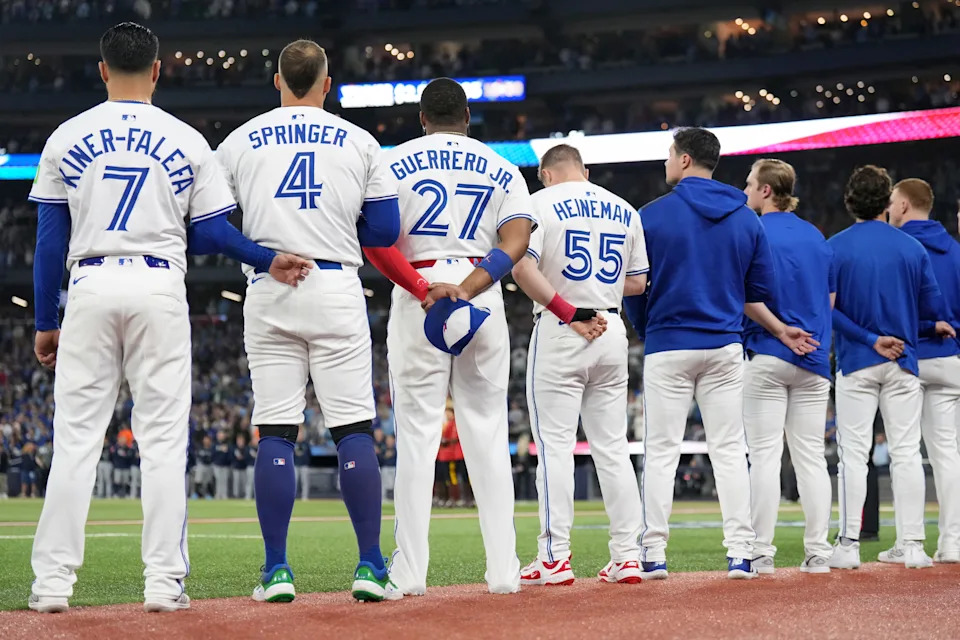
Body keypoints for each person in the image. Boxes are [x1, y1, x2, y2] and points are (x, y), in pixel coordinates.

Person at [27, 22, 309, 614]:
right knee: (161, 441)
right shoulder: (186, 139)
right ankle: (163, 584)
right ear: (158, 70)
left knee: (76, 441)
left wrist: (45, 320)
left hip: (90, 281)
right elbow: (210, 233)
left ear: (102, 70)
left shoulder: (66, 135)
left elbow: (50, 242)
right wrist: (265, 258)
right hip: (157, 283)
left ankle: (51, 586)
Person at [214, 39, 402, 603]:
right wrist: (339, 231)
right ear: (327, 84)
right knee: (352, 430)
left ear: (277, 81)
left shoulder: (241, 140)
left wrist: (264, 255)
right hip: (336, 280)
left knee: (275, 430)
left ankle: (276, 571)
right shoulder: (361, 141)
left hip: (269, 284)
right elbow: (387, 229)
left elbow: (209, 228)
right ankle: (370, 566)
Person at [622, 127, 813, 580]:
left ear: (685, 159)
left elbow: (635, 288)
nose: (667, 162)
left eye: (670, 155)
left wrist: (650, 328)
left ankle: (653, 553)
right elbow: (760, 289)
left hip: (669, 342)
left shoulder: (651, 215)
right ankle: (741, 554)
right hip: (725, 345)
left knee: (662, 450)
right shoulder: (747, 217)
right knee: (730, 450)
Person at [381, 77, 534, 598]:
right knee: (487, 433)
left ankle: (410, 573)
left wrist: (427, 288)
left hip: (417, 291)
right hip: (481, 294)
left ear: (421, 118)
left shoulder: (393, 159)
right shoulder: (501, 166)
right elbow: (515, 242)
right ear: (467, 118)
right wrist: (467, 288)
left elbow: (377, 240)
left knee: (418, 435)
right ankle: (504, 572)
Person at [510, 144, 646, 585]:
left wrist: (570, 310)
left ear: (546, 174)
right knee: (613, 449)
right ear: (584, 171)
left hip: (561, 325)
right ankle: (627, 557)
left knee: (554, 449)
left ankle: (555, 557)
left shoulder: (537, 202)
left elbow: (521, 272)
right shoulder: (624, 207)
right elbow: (639, 281)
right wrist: (595, 295)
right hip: (609, 326)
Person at [828, 165, 953, 570]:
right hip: (903, 360)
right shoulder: (912, 249)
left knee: (853, 456)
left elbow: (827, 311)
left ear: (850, 201)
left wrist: (868, 339)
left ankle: (848, 545)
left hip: (858, 360)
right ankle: (913, 545)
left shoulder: (835, 247)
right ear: (887, 203)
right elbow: (933, 309)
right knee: (905, 454)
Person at [740, 159, 835, 575]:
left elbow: (742, 296)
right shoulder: (817, 236)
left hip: (769, 351)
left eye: (748, 184)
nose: (744, 191)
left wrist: (780, 331)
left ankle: (761, 553)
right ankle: (818, 552)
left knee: (763, 457)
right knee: (811, 457)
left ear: (765, 191)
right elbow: (829, 301)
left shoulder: (753, 230)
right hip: (814, 356)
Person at [888, 178, 960, 563]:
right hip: (950, 359)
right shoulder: (957, 252)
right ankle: (953, 543)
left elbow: (892, 313)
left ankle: (908, 542)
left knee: (905, 453)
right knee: (948, 455)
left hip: (908, 358)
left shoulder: (898, 248)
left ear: (903, 205)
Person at [212, 430, 232, 500]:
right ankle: (218, 494)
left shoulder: (228, 444)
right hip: (217, 465)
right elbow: (213, 453)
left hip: (225, 465)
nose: (220, 436)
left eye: (222, 435)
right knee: (218, 480)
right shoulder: (215, 444)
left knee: (224, 480)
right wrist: (221, 449)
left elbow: (229, 454)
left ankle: (224, 494)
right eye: (219, 435)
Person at [231, 433, 251, 499]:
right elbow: (231, 457)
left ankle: (243, 495)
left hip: (244, 467)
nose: (240, 442)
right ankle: (236, 495)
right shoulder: (234, 448)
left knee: (244, 482)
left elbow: (247, 457)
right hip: (236, 467)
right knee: (236, 482)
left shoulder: (246, 448)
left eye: (241, 440)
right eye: (239, 440)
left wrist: (243, 457)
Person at [294, 428, 311, 501]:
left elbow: (309, 455)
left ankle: (305, 497)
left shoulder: (306, 444)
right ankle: (293, 497)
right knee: (294, 482)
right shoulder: (294, 443)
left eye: (301, 434)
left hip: (304, 465)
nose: (300, 436)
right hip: (295, 465)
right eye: (299, 434)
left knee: (305, 482)